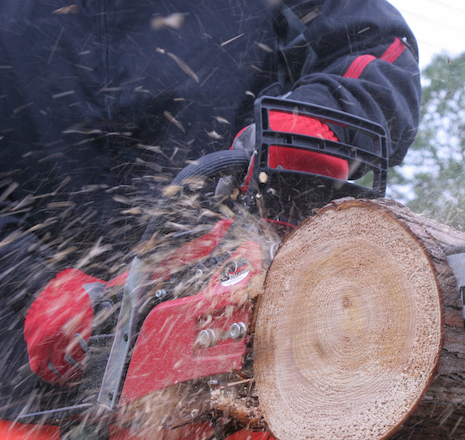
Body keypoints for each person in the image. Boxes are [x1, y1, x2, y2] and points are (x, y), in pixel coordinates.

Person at [0, 0, 421, 421]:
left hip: (249, 364)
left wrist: (316, 118)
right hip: (23, 387)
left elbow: (380, 47)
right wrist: (29, 283)